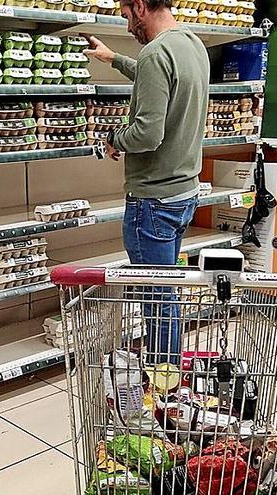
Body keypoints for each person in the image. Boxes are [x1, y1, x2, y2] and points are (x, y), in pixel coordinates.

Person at [85, 0, 209, 364]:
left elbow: (147, 134)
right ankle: (166, 370)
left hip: (152, 202)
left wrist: (114, 138)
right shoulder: (191, 44)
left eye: (125, 16)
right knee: (166, 292)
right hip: (184, 193)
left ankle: (162, 379)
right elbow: (158, 78)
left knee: (156, 299)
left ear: (139, 6)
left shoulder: (157, 54)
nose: (126, 27)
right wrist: (113, 58)